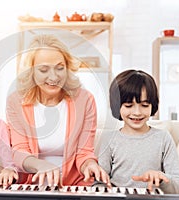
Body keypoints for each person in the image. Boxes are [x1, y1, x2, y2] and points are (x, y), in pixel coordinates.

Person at [6, 34, 110, 187]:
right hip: (33, 185)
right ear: (31, 71)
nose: (53, 77)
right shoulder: (16, 101)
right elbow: (19, 150)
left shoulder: (85, 100)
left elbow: (84, 151)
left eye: (60, 68)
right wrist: (41, 166)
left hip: (74, 186)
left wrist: (89, 165)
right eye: (43, 70)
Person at [98, 69, 179, 194]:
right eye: (129, 105)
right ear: (117, 105)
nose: (137, 112)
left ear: (153, 105)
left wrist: (161, 179)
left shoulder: (163, 138)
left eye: (144, 105)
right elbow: (98, 183)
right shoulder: (109, 139)